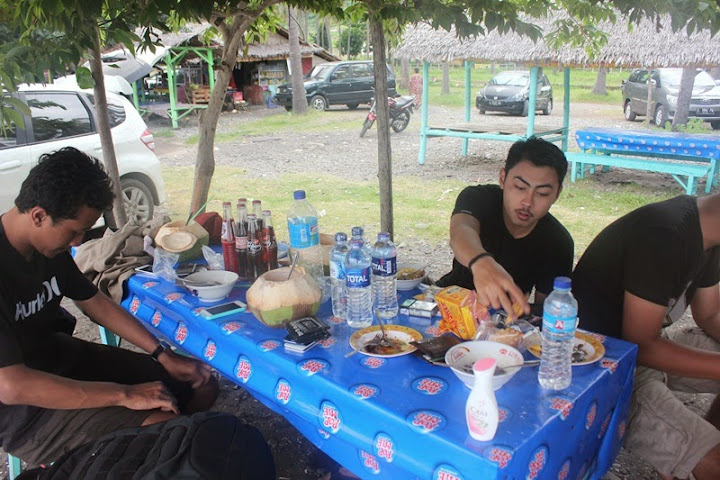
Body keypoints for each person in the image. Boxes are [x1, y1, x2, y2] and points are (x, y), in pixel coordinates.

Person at [0, 147, 219, 466]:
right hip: (26, 415)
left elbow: (94, 302)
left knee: (200, 382)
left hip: (66, 361)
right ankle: (163, 457)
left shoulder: (48, 247)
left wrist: (162, 354)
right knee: (166, 434)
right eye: (74, 232)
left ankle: (173, 459)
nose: (77, 243)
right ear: (38, 215)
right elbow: (11, 386)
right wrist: (125, 395)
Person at [572, 194, 720, 480]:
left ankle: (690, 459)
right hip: (608, 369)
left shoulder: (709, 235)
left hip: (648, 347)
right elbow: (642, 345)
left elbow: (710, 315)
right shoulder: (665, 233)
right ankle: (698, 459)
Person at [436, 136, 573, 317]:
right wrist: (482, 263)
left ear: (556, 194)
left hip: (498, 321)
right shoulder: (479, 198)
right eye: (519, 187)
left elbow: (547, 312)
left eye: (542, 193)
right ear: (503, 178)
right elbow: (461, 230)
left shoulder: (558, 242)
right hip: (444, 304)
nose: (527, 202)